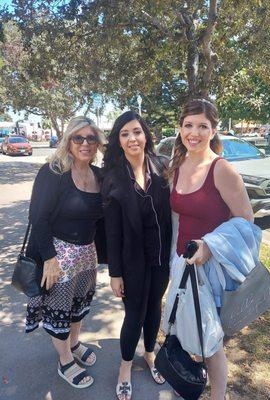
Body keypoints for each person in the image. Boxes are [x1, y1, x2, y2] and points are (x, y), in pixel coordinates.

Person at [168, 99, 254, 400]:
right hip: (182, 265)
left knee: (211, 342)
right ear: (180, 129)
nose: (194, 132)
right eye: (188, 125)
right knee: (188, 333)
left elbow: (246, 219)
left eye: (202, 126)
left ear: (213, 130)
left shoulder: (222, 169)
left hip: (210, 270)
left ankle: (218, 395)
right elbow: (178, 219)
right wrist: (172, 263)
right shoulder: (177, 166)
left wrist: (211, 246)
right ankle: (189, 383)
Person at [25, 116, 107, 389]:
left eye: (91, 138)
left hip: (86, 255)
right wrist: (48, 258)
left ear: (98, 143)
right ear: (68, 141)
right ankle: (64, 360)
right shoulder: (53, 172)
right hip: (59, 256)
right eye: (78, 138)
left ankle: (74, 343)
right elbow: (38, 217)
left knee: (79, 306)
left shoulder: (99, 175)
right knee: (58, 311)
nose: (85, 143)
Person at [102, 111, 172, 400]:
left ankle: (150, 354)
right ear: (118, 141)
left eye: (137, 131)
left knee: (154, 306)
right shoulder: (113, 178)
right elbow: (112, 232)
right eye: (125, 134)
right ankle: (125, 366)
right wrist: (115, 273)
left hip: (160, 256)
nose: (132, 138)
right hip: (131, 261)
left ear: (146, 135)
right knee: (134, 314)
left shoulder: (162, 167)